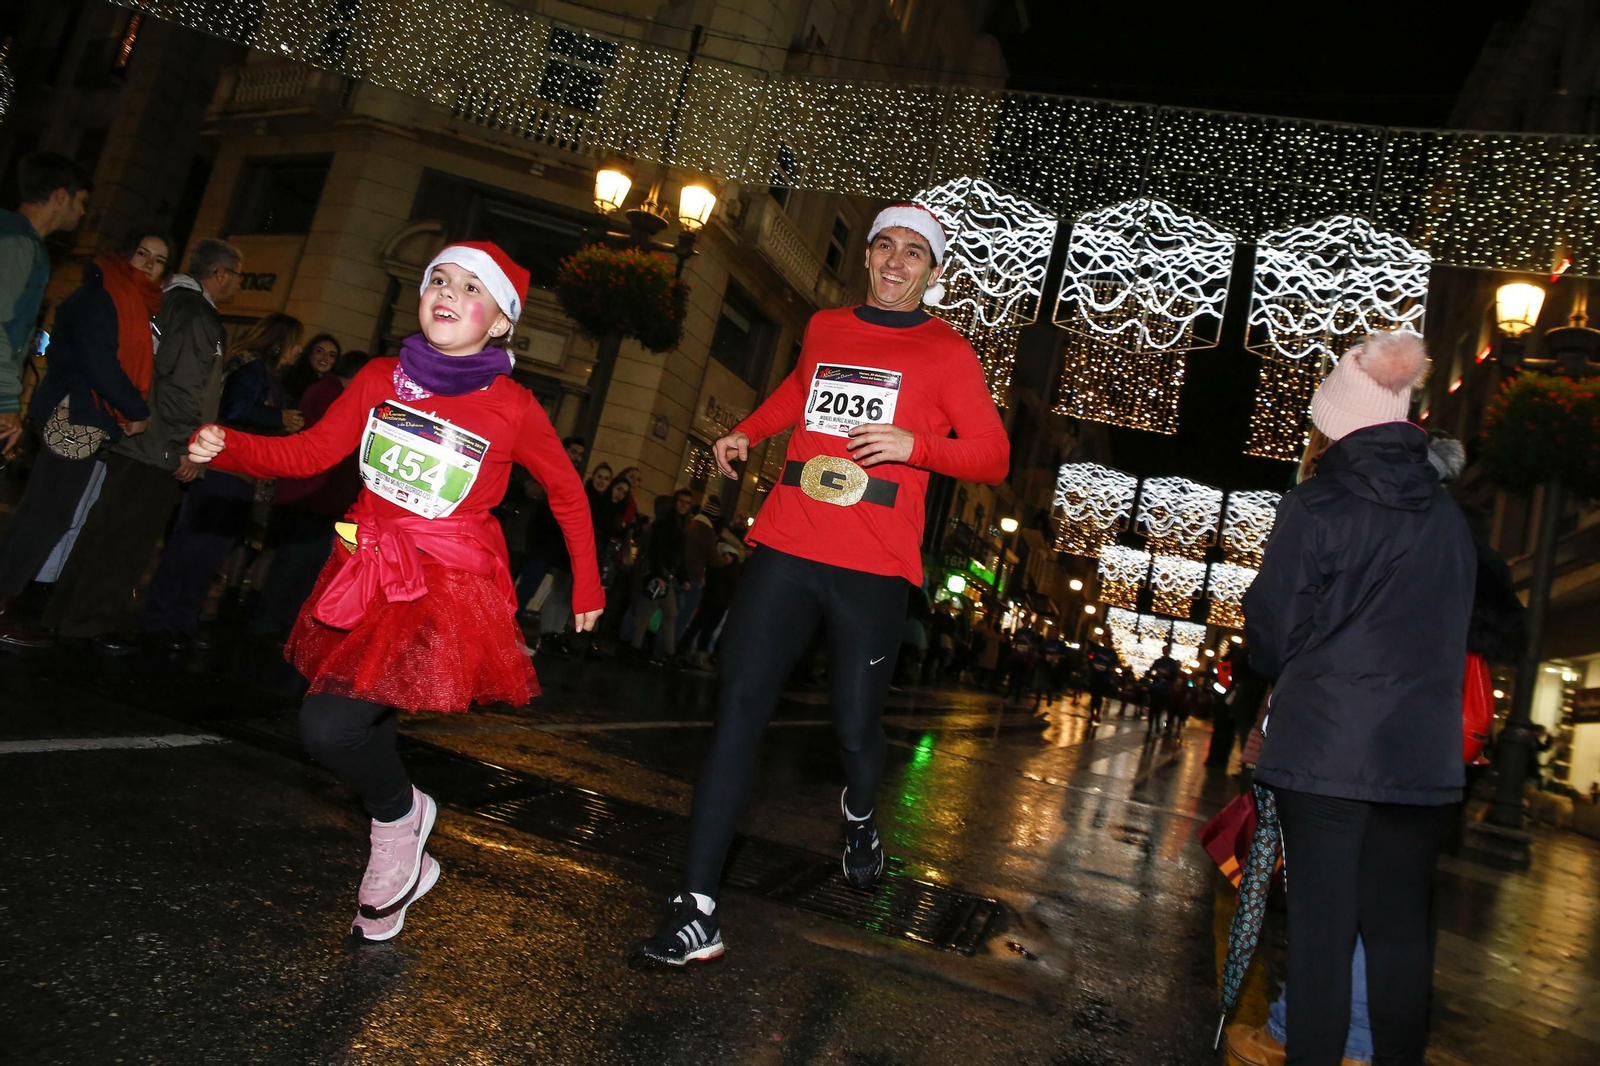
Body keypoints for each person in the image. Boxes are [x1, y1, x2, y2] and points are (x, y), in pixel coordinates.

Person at [187, 241, 601, 941]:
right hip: (371, 564)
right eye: (439, 278)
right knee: (364, 710)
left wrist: (588, 583)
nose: (447, 291)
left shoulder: (514, 407)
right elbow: (312, 454)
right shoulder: (381, 376)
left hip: (446, 577)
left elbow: (565, 492)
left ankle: (396, 816)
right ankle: (401, 824)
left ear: (500, 322)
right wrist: (227, 445)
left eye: (472, 288)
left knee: (330, 724)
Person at [634, 202, 1008, 966]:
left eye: (914, 254)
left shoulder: (948, 354)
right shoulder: (827, 328)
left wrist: (918, 444)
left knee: (854, 732)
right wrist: (749, 430)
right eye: (884, 248)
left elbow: (995, 456)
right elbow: (800, 391)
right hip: (790, 542)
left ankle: (861, 812)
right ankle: (697, 908)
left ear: (934, 274)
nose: (896, 263)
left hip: (873, 567)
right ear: (867, 257)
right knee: (738, 708)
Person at [1242, 331, 1473, 1066]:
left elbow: (1274, 636)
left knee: (1321, 937)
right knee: (1402, 937)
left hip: (1327, 752)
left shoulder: (1316, 506)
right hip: (1420, 760)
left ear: (1337, 422)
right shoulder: (1449, 520)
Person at [40, 239, 240, 652]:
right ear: (220, 274)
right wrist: (186, 445)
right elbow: (185, 385)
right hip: (156, 444)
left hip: (137, 435)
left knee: (105, 527)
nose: (237, 284)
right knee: (126, 538)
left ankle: (66, 614)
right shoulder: (196, 313)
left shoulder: (165, 300)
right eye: (236, 276)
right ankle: (89, 622)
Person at [0, 226, 166, 646]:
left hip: (82, 412)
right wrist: (136, 408)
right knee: (48, 513)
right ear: (125, 254)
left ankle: (7, 601)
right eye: (142, 253)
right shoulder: (105, 295)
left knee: (45, 510)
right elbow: (99, 363)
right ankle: (4, 606)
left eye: (159, 259)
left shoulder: (125, 299)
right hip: (74, 414)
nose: (148, 264)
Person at [138, 313, 305, 647]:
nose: (298, 350)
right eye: (296, 342)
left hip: (237, 475)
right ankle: (161, 620)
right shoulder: (252, 368)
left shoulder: (262, 371)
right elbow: (235, 410)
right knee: (193, 548)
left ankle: (181, 620)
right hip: (223, 472)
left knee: (208, 552)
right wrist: (279, 418)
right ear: (280, 341)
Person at [249, 350, 372, 638]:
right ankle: (269, 626)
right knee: (292, 566)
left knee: (302, 568)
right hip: (310, 497)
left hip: (321, 499)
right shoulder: (330, 395)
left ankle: (279, 626)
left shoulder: (333, 394)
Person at [1, 152, 93, 453]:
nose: (82, 213)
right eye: (81, 202)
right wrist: (6, 400)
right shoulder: (18, 243)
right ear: (61, 197)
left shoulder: (19, 239)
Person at [627, 490, 689, 662]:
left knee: (656, 612)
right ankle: (662, 652)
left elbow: (676, 554)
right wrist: (659, 574)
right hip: (660, 574)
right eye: (681, 502)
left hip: (663, 574)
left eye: (686, 503)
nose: (683, 506)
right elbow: (658, 551)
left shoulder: (676, 525)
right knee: (657, 612)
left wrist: (682, 577)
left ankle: (642, 648)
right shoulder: (668, 525)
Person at [282, 333, 341, 404]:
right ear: (310, 352)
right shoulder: (290, 378)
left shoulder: (334, 388)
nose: (325, 357)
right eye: (319, 351)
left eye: (332, 355)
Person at [1144, 644, 1180, 735]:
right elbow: (1150, 671)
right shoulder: (1158, 662)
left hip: (1165, 689)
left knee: (1159, 709)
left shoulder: (1172, 663)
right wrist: (1151, 675)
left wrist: (1166, 676)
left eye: (1167, 650)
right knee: (1152, 709)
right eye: (1164, 650)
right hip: (1155, 688)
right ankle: (1150, 728)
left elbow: (1174, 677)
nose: (1166, 652)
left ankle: (1156, 725)